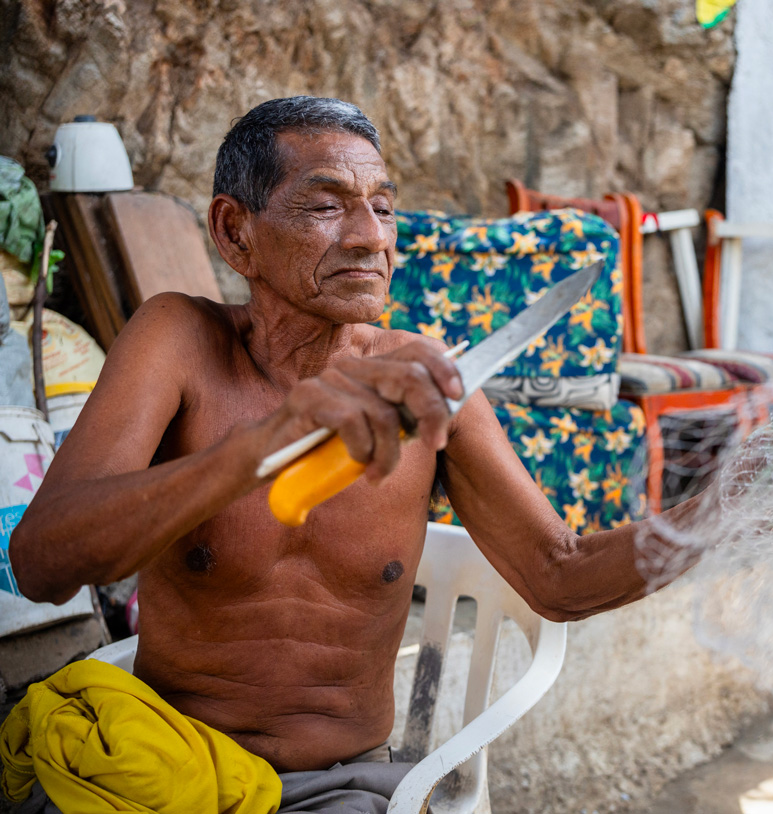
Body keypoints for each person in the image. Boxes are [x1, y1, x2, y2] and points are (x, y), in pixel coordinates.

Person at [5, 97, 709, 811]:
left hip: (339, 786)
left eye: (384, 207)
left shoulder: (424, 382)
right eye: (326, 206)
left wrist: (731, 506)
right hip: (163, 761)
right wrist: (263, 445)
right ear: (234, 232)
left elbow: (561, 578)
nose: (372, 237)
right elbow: (40, 566)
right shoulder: (178, 340)